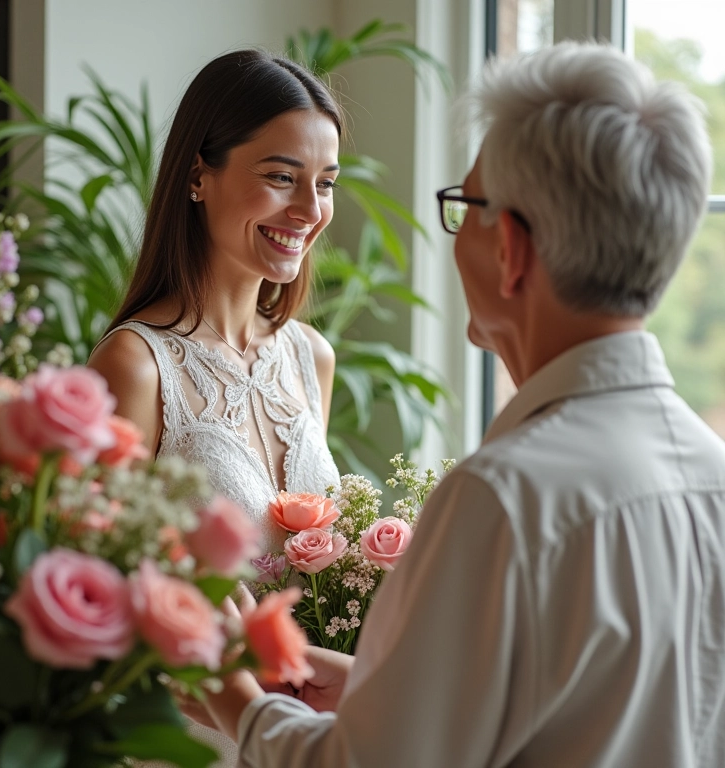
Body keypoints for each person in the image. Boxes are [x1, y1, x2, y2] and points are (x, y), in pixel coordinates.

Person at [197, 41, 725, 767]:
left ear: (507, 247)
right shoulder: (714, 479)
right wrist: (378, 691)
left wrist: (239, 705)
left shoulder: (503, 499)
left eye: (465, 205)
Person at [88, 49, 344, 767]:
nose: (309, 210)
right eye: (279, 177)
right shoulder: (135, 367)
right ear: (199, 175)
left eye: (324, 183)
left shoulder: (309, 357)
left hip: (297, 736)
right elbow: (107, 615)